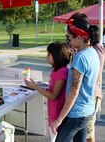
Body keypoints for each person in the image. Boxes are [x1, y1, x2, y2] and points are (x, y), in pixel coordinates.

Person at [50, 12, 100, 142]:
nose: (68, 42)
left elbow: (74, 92)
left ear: (80, 37)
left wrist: (59, 119)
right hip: (87, 111)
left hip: (76, 113)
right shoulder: (93, 52)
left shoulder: (80, 58)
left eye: (69, 38)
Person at [25, 42, 72, 140]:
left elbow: (54, 95)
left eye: (49, 54)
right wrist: (38, 85)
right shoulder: (56, 70)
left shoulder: (62, 72)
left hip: (57, 110)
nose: (46, 56)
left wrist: (35, 87)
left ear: (57, 56)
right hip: (53, 109)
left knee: (55, 136)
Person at [87, 24, 105, 142]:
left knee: (89, 130)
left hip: (92, 93)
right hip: (96, 92)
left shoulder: (93, 50)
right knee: (89, 129)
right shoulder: (100, 48)